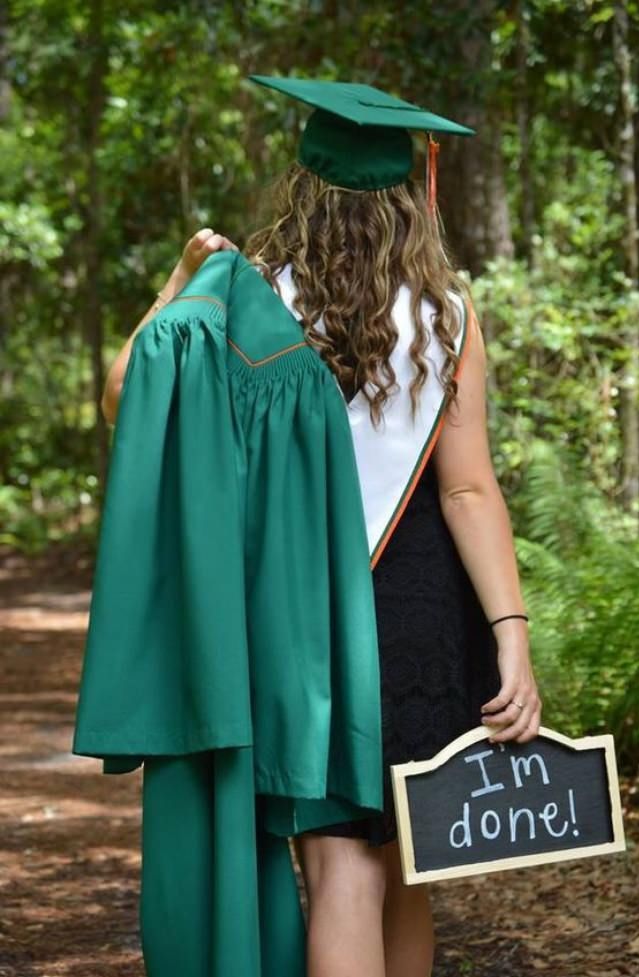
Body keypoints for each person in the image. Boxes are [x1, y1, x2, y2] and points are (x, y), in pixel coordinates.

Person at [93, 76, 542, 977]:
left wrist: (179, 281)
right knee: (411, 867)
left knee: (341, 871)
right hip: (419, 617)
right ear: (411, 196)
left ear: (303, 186)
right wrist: (512, 636)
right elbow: (468, 493)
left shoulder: (246, 300)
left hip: (301, 621)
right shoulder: (450, 315)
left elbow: (126, 404)